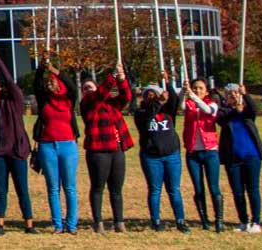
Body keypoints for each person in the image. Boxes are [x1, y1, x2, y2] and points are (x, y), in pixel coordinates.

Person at [0, 48, 32, 235]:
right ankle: (0, 224)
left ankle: (29, 223)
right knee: (1, 189)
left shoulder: (16, 102)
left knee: (22, 189)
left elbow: (10, 81)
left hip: (17, 151)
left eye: (2, 88)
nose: (1, 90)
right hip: (0, 154)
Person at [79, 67, 134, 233]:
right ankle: (98, 222)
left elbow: (126, 97)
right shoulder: (87, 103)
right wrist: (113, 76)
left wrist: (122, 79)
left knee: (116, 189)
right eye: (85, 88)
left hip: (116, 150)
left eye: (91, 86)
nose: (88, 89)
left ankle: (119, 222)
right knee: (98, 187)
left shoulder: (111, 103)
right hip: (98, 151)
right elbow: (99, 95)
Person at [31, 60, 81, 234]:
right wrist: (41, 67)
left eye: (52, 81)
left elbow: (72, 86)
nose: (50, 84)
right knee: (53, 187)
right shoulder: (44, 100)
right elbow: (37, 84)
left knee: (70, 187)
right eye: (48, 82)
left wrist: (54, 70)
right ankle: (58, 224)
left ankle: (72, 224)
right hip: (47, 146)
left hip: (68, 145)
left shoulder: (69, 99)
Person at [133, 75, 188, 232]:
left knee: (174, 190)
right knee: (155, 189)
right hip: (151, 157)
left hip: (171, 155)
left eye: (153, 93)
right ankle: (155, 221)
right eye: (147, 94)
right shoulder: (141, 113)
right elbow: (149, 116)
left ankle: (180, 220)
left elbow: (174, 101)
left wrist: (168, 82)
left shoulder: (168, 111)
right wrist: (159, 102)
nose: (150, 95)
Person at [216, 83, 262, 233]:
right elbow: (220, 120)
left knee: (253, 189)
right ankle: (243, 220)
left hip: (251, 156)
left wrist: (246, 96)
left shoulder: (246, 111)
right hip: (232, 158)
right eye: (230, 94)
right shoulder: (224, 111)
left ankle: (256, 221)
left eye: (236, 93)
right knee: (237, 191)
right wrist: (234, 111)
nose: (233, 96)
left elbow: (254, 110)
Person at [181, 78, 226, 231]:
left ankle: (219, 220)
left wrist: (192, 95)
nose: (197, 90)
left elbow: (208, 110)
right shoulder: (189, 104)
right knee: (198, 188)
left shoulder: (211, 103)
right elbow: (181, 105)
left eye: (200, 88)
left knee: (213, 187)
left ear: (206, 91)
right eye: (195, 88)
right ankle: (204, 220)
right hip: (193, 152)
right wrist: (184, 91)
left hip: (210, 151)